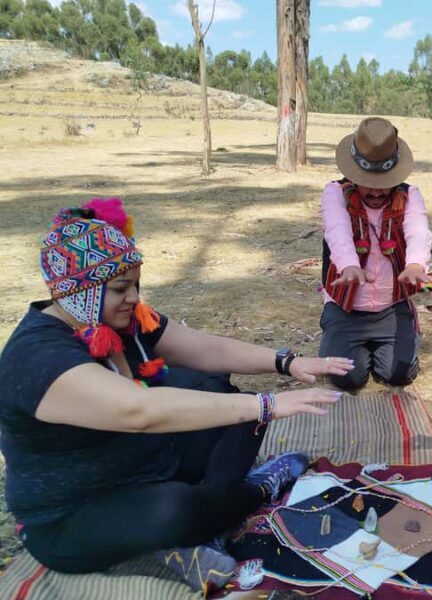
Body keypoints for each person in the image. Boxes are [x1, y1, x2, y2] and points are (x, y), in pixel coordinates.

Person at [0, 198, 353, 593]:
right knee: (176, 507)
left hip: (147, 464)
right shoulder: (37, 356)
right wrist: (268, 403)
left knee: (225, 403)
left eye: (135, 284)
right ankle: (249, 494)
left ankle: (210, 518)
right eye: (120, 288)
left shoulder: (122, 319)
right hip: (73, 515)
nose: (134, 298)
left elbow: (204, 349)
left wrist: (286, 363)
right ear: (76, 292)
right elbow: (138, 410)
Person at [319, 117, 432, 390]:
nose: (375, 190)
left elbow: (418, 230)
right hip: (346, 307)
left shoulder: (410, 195)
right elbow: (337, 230)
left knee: (399, 374)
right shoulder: (336, 193)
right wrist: (348, 265)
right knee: (347, 378)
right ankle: (337, 332)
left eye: (382, 181)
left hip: (391, 306)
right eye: (367, 181)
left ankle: (395, 339)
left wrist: (416, 264)